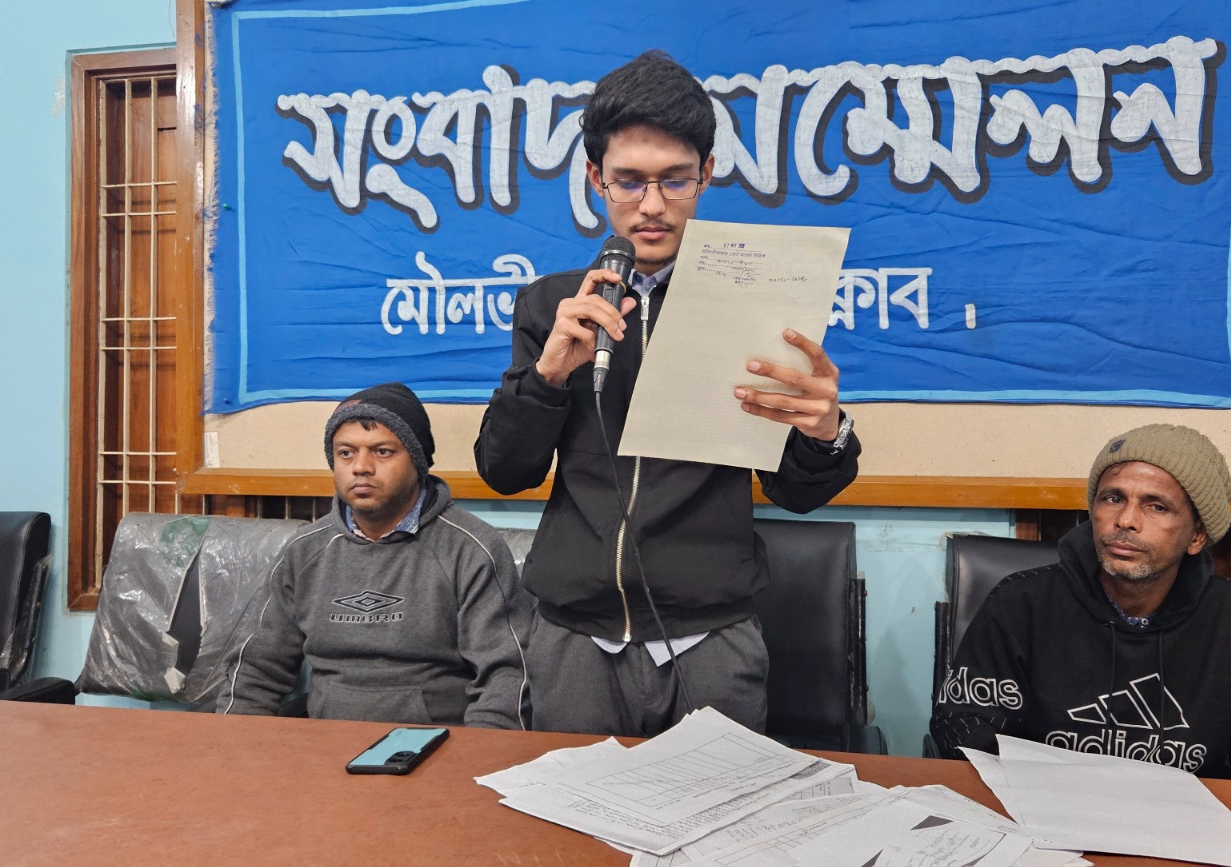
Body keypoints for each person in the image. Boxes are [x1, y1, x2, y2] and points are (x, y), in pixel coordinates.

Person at [473, 50, 860, 738]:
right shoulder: (551, 305)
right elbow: (505, 471)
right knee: (574, 813)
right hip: (573, 638)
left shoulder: (753, 300)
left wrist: (825, 433)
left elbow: (796, 493)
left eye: (674, 181)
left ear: (706, 174)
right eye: (628, 181)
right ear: (595, 178)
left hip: (711, 637)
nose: (651, 206)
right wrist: (547, 377)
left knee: (723, 807)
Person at [929, 424, 1231, 823]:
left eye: (1157, 506)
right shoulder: (1021, 602)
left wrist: (1191, 822)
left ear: (1197, 536)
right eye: (1113, 498)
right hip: (1044, 823)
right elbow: (964, 726)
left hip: (1188, 835)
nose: (1126, 520)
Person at [220, 382, 528, 729]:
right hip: (325, 743)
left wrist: (478, 755)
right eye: (346, 453)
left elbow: (505, 679)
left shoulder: (471, 549)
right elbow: (255, 670)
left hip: (436, 745)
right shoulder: (304, 551)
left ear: (417, 461)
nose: (361, 467)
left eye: (382, 451)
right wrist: (232, 746)